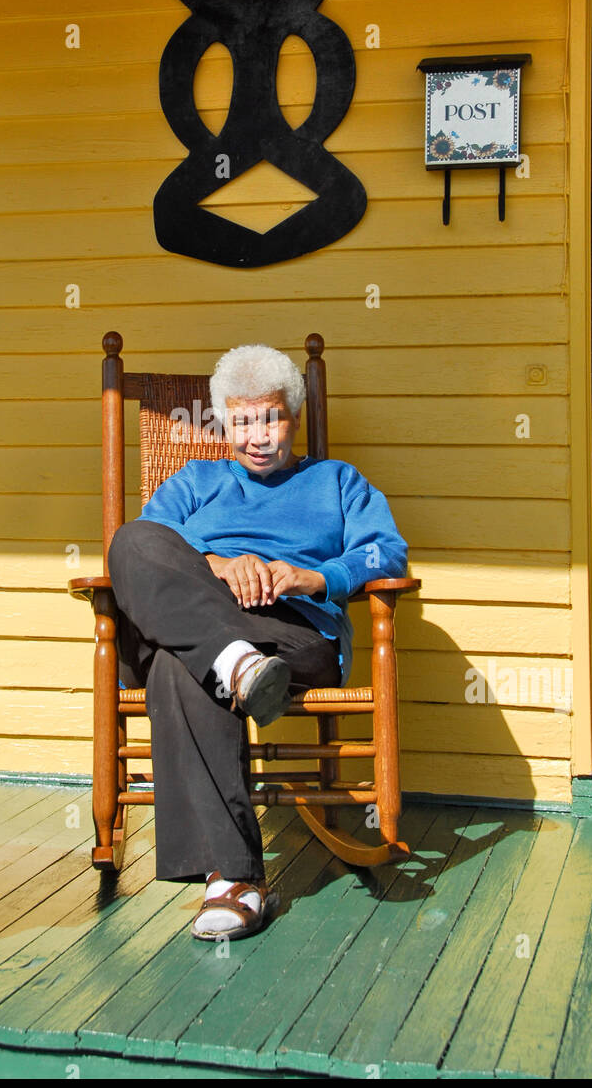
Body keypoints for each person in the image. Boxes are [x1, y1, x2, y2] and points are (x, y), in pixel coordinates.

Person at [106, 343, 408, 941]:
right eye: (243, 420)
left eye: (270, 417)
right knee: (131, 541)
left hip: (291, 633)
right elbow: (145, 552)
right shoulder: (196, 481)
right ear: (224, 424)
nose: (257, 435)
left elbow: (386, 551)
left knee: (177, 663)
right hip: (209, 617)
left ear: (291, 418)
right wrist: (217, 565)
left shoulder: (336, 482)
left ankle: (234, 879)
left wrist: (313, 577)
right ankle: (232, 662)